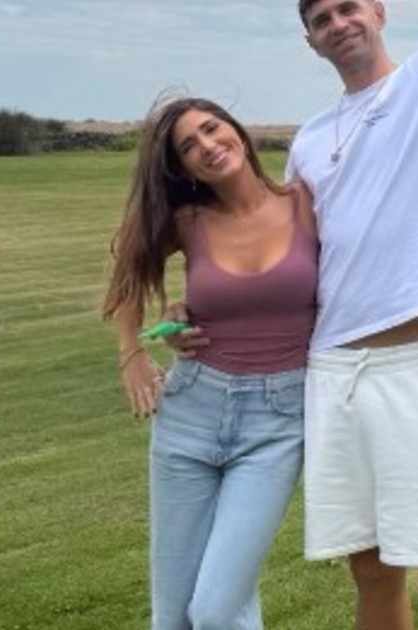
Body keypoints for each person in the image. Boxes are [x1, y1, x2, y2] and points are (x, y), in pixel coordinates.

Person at [167, 1, 418, 628]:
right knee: (373, 577)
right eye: (321, 19)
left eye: (349, 7)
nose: (338, 23)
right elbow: (288, 261)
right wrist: (194, 307)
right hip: (334, 373)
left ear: (379, 12)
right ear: (311, 42)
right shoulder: (311, 141)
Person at [102, 95, 317, 629]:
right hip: (191, 412)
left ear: (237, 131)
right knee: (171, 619)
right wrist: (132, 353)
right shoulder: (188, 221)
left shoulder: (305, 203)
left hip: (278, 425)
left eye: (212, 128)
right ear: (182, 169)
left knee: (217, 609)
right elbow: (128, 269)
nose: (207, 146)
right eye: (187, 147)